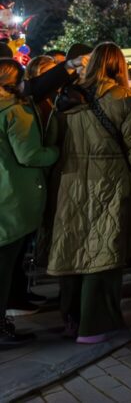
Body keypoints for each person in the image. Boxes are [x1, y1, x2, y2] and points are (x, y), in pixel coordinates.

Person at [46, 42, 131, 343]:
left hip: (69, 179)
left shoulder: (67, 96)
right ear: (119, 65)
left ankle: (72, 317)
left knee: (73, 246)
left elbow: (53, 139)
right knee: (105, 249)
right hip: (110, 179)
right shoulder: (124, 98)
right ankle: (96, 324)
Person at [0, 59, 60, 347]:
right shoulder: (15, 111)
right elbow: (29, 155)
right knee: (4, 269)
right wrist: (55, 152)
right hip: (13, 199)